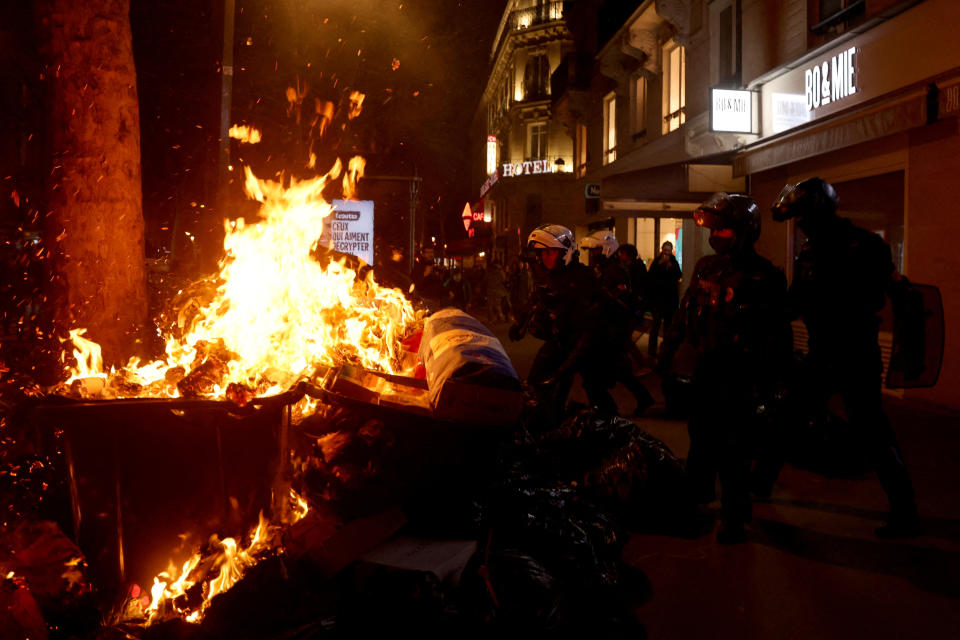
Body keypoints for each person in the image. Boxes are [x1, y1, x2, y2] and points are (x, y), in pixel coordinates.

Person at [772, 177, 919, 538]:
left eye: (803, 215)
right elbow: (796, 301)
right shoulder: (811, 250)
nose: (800, 223)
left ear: (817, 212)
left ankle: (905, 511)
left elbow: (902, 296)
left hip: (855, 352)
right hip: (825, 350)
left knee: (872, 431)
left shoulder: (865, 246)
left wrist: (910, 347)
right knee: (789, 417)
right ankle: (758, 486)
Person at [659, 193, 791, 544]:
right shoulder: (706, 267)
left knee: (734, 446)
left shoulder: (765, 276)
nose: (716, 237)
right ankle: (699, 498)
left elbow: (779, 331)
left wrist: (776, 379)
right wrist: (669, 349)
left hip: (741, 372)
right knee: (700, 435)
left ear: (744, 231)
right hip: (707, 366)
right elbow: (686, 311)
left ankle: (735, 512)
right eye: (713, 230)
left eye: (724, 230)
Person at [510, 224, 618, 424]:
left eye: (550, 252)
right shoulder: (550, 276)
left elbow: (592, 327)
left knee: (596, 393)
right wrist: (521, 324)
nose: (545, 258)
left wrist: (569, 363)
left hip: (587, 347)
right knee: (536, 387)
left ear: (564, 252)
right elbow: (537, 299)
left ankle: (616, 433)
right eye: (542, 253)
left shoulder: (583, 278)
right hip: (560, 342)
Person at [581, 232, 655, 416]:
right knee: (618, 370)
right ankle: (642, 398)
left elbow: (615, 302)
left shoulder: (614, 271)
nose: (594, 253)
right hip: (607, 328)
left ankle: (606, 411)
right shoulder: (605, 269)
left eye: (597, 249)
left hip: (611, 328)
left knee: (592, 373)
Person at [646, 241, 682, 358]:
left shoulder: (674, 262)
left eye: (669, 251)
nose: (667, 253)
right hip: (658, 300)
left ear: (671, 251)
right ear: (662, 250)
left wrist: (671, 267)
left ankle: (665, 349)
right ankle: (652, 350)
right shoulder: (656, 262)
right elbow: (650, 277)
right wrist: (659, 264)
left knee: (668, 326)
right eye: (665, 250)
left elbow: (678, 275)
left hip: (670, 300)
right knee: (655, 325)